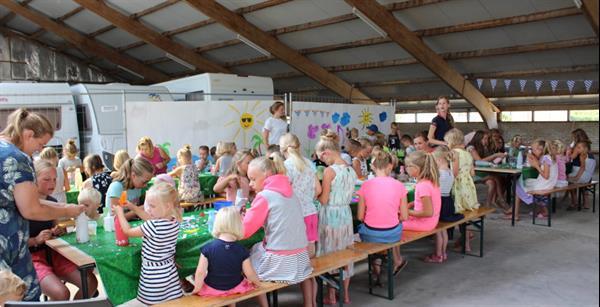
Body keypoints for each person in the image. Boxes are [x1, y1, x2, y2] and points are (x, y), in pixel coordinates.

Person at [0, 108, 85, 301]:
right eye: (40, 144)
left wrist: (65, 209)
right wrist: (67, 210)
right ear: (28, 134)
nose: (38, 151)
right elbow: (31, 208)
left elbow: (28, 200)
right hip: (7, 248)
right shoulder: (17, 158)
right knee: (19, 297)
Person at [243, 157, 313, 307]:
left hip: (281, 263)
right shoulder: (291, 192)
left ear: (267, 175)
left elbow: (244, 231)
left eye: (253, 179)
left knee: (247, 266)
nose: (250, 184)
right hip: (301, 259)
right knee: (257, 248)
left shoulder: (264, 196)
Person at [28, 160, 98, 300]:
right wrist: (35, 240)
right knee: (61, 293)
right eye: (46, 179)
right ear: (33, 179)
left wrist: (58, 231)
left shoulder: (53, 202)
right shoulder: (25, 204)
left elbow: (56, 229)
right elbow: (11, 242)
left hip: (54, 253)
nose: (52, 184)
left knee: (90, 282)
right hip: (31, 258)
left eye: (55, 179)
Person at [113, 182, 183, 305]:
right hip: (169, 271)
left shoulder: (153, 226)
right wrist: (133, 207)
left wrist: (120, 213)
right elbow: (150, 218)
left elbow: (128, 231)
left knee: (153, 303)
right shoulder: (174, 221)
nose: (148, 209)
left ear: (167, 207)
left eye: (152, 206)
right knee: (170, 302)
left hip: (154, 275)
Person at [315, 131, 357, 305]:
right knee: (345, 251)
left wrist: (315, 193)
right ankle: (345, 294)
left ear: (326, 153)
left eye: (321, 158)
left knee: (330, 252)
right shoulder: (350, 168)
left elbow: (324, 199)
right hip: (345, 215)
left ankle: (331, 295)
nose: (322, 162)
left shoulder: (329, 171)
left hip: (330, 215)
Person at [356, 150, 408, 281]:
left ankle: (376, 270)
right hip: (392, 234)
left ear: (372, 166)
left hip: (370, 234)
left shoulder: (365, 185)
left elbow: (360, 216)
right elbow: (404, 216)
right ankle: (397, 260)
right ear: (390, 166)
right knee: (394, 226)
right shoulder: (399, 185)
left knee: (366, 230)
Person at [192, 207, 260, 298]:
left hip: (213, 289)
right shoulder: (242, 250)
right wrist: (257, 283)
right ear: (238, 225)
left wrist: (197, 288)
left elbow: (200, 272)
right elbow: (249, 273)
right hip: (236, 288)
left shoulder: (207, 248)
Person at [426, 147, 462, 263]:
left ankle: (438, 254)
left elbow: (433, 188)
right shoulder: (450, 172)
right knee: (444, 230)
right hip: (448, 201)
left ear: (439, 160)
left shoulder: (439, 174)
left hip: (439, 202)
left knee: (438, 231)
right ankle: (443, 253)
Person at [510, 139, 558, 220]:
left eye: (533, 149)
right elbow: (540, 164)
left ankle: (515, 215)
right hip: (549, 184)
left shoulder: (546, 158)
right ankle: (537, 210)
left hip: (545, 185)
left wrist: (536, 166)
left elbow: (546, 175)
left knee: (518, 185)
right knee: (524, 182)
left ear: (540, 149)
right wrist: (533, 159)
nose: (532, 151)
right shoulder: (548, 157)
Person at [402, 151, 442, 232]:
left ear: (416, 168)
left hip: (425, 223)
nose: (406, 169)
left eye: (408, 166)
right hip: (430, 221)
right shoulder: (429, 181)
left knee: (394, 225)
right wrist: (411, 204)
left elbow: (428, 212)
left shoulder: (422, 186)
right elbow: (427, 201)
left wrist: (407, 211)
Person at [467, 130, 508, 209]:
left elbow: (486, 160)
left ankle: (488, 205)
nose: (486, 141)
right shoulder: (471, 148)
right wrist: (495, 155)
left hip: (480, 172)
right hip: (472, 173)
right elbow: (480, 161)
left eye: (487, 139)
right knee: (496, 177)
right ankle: (501, 199)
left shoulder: (483, 147)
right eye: (484, 139)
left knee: (491, 183)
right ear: (478, 139)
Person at [445, 129, 480, 213]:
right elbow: (472, 173)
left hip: (458, 182)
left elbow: (455, 172)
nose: (447, 145)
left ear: (452, 142)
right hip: (468, 182)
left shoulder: (454, 153)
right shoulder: (468, 153)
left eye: (447, 142)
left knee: (458, 205)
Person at [567, 141, 596, 210]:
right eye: (576, 147)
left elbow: (582, 168)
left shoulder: (582, 155)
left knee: (568, 180)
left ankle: (574, 202)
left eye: (579, 148)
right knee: (571, 179)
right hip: (588, 177)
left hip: (583, 177)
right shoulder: (590, 155)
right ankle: (579, 202)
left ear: (584, 148)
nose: (577, 149)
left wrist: (576, 177)